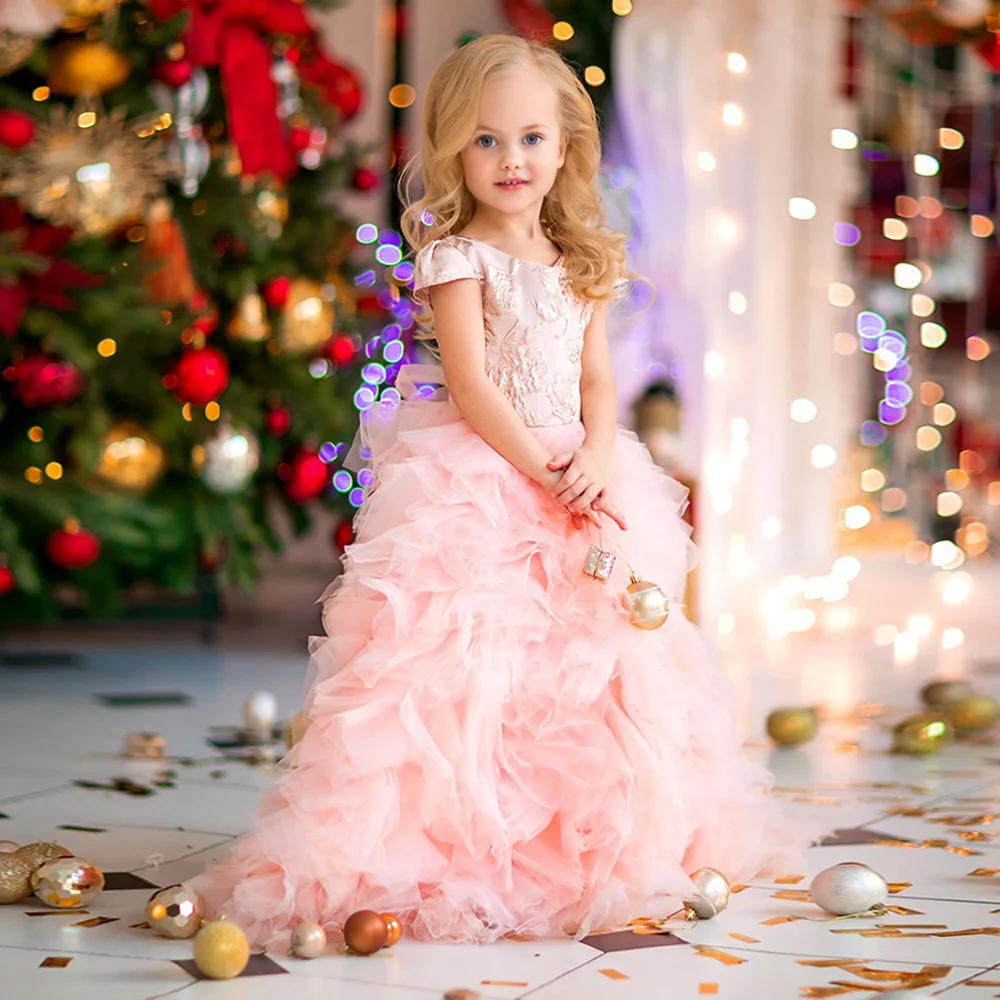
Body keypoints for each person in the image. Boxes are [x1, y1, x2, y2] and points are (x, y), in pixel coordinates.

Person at [190, 33, 809, 949]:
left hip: (583, 469)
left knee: (597, 663)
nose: (510, 160)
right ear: (451, 151)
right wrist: (548, 470)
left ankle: (595, 839)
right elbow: (474, 388)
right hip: (490, 468)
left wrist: (596, 455)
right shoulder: (456, 258)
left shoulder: (579, 255)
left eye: (528, 138)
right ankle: (461, 847)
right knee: (471, 662)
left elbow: (599, 379)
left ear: (565, 147)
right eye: (485, 141)